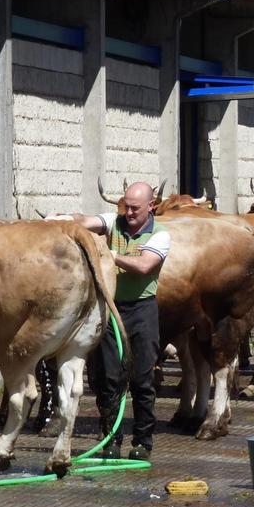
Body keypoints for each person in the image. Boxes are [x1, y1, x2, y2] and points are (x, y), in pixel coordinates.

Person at [54, 182, 169, 461]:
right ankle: (110, 439)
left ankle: (142, 442)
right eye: (125, 206)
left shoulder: (161, 234)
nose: (128, 213)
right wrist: (61, 220)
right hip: (110, 308)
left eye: (135, 208)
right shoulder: (113, 221)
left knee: (142, 379)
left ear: (150, 207)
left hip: (142, 310)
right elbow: (85, 221)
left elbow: (144, 266)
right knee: (108, 379)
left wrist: (106, 254)